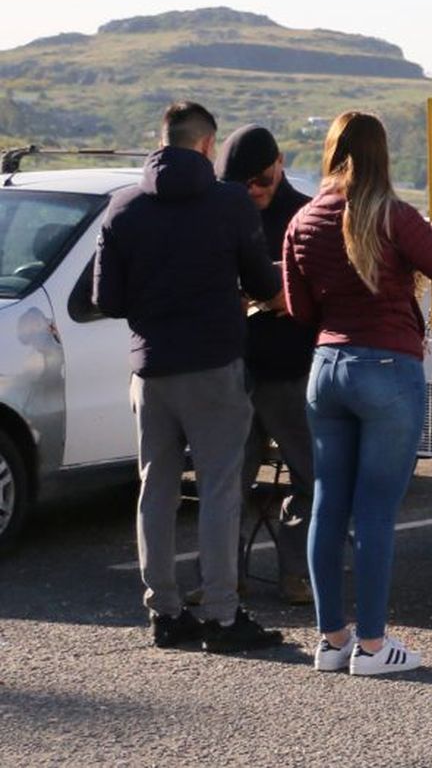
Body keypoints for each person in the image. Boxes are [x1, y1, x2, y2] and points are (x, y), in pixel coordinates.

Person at [94, 101, 286, 653]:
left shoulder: (123, 208)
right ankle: (223, 617)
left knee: (155, 490)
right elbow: (261, 282)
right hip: (214, 367)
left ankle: (165, 614)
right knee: (220, 490)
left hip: (150, 371)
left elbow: (106, 297)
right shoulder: (229, 205)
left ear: (164, 140)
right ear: (207, 145)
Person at [283, 111, 432, 675]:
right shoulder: (395, 215)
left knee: (327, 505)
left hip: (326, 368)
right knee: (376, 514)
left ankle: (331, 639)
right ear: (381, 156)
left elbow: (298, 309)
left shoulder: (304, 218)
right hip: (387, 368)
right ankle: (371, 647)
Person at [215, 125, 317, 605]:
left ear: (279, 163)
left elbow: (323, 292)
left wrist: (285, 298)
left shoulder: (306, 213)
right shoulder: (223, 211)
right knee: (227, 476)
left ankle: (296, 571)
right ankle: (223, 575)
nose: (253, 191)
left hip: (289, 368)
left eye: (260, 179)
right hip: (233, 366)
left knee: (309, 474)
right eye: (242, 184)